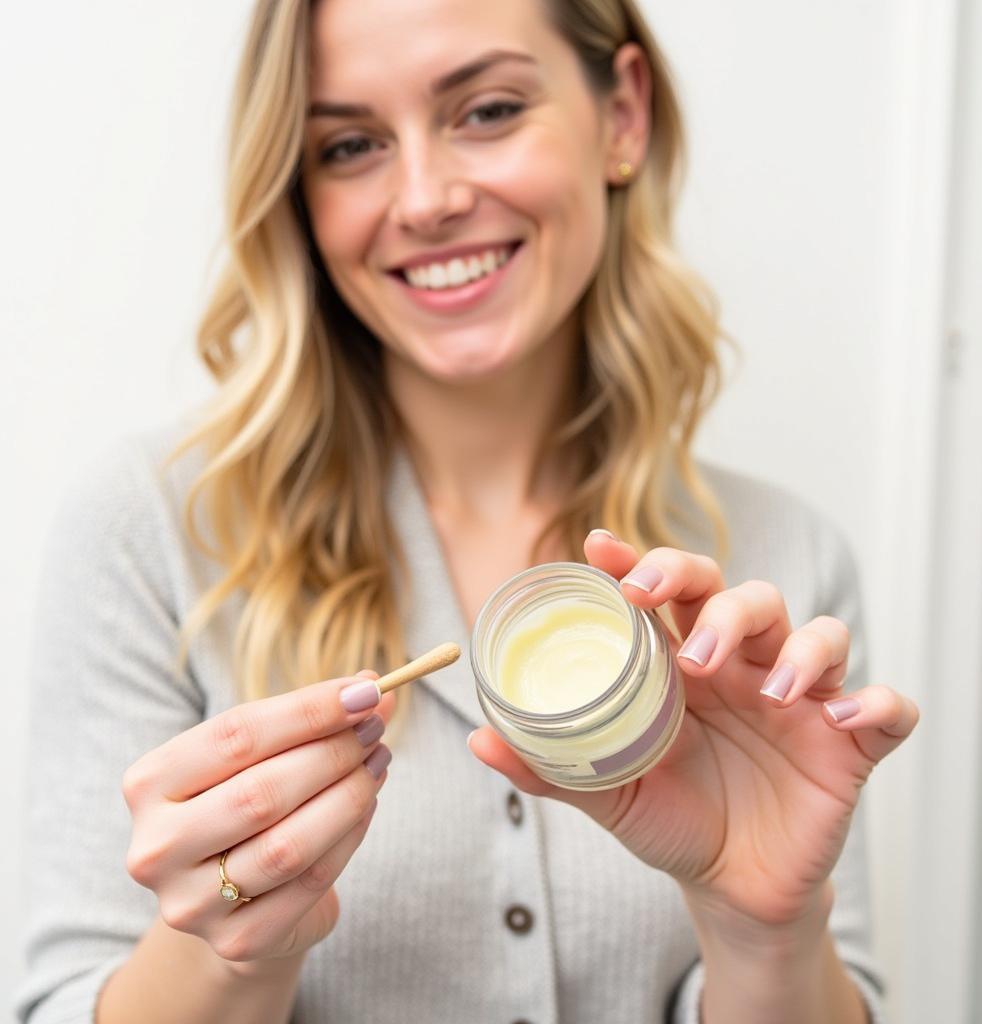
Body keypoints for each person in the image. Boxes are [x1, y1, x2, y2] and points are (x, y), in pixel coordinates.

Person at [12, 0, 919, 1021]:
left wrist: (765, 930)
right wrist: (230, 946)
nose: (427, 198)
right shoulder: (151, 536)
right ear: (299, 191)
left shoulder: (776, 571)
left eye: (485, 110)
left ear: (620, 114)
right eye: (350, 144)